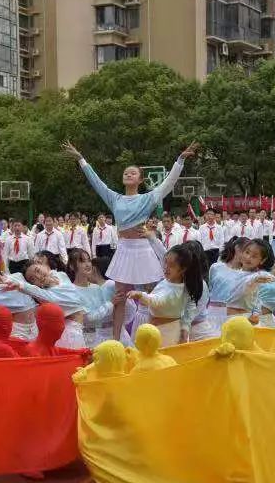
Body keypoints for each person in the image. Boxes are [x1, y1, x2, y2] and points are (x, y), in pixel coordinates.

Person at [64, 139, 197, 342]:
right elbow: (96, 182)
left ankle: (157, 335)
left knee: (153, 293)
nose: (128, 174)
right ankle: (116, 340)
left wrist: (179, 160)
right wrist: (81, 159)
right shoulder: (114, 198)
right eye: (126, 172)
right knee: (119, 298)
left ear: (140, 180)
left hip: (143, 249)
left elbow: (168, 183)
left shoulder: (147, 198)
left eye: (133, 172)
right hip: (124, 249)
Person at [126, 244, 204, 346]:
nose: (166, 268)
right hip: (160, 329)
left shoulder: (178, 290)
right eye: (165, 263)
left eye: (171, 265)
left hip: (168, 333)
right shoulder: (169, 282)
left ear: (183, 269)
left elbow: (158, 300)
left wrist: (141, 295)